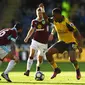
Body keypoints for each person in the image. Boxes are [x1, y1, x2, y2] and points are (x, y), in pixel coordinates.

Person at [46, 8, 83, 80]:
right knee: (48, 53)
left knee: (72, 59)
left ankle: (77, 70)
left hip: (71, 42)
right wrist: (43, 10)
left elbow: (77, 33)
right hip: (61, 42)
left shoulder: (67, 23)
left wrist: (80, 45)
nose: (53, 17)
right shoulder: (54, 20)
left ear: (59, 15)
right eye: (52, 15)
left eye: (54, 15)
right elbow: (46, 19)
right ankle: (56, 69)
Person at [24, 5, 50, 76]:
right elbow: (31, 30)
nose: (40, 15)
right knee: (31, 54)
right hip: (35, 40)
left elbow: (46, 18)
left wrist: (43, 9)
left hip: (44, 43)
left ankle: (38, 69)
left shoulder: (45, 20)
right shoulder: (34, 21)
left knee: (40, 58)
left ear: (42, 13)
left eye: (41, 13)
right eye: (38, 13)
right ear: (36, 14)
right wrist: (27, 37)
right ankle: (28, 70)